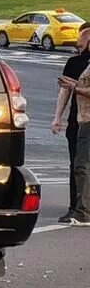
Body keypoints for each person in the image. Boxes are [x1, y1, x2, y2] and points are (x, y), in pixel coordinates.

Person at [54, 31, 90, 224]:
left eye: (81, 41)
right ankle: (77, 207)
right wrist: (57, 117)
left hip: (83, 121)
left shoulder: (77, 63)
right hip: (78, 119)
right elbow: (64, 92)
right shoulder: (76, 63)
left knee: (80, 165)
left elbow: (68, 91)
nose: (78, 44)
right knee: (78, 165)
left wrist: (74, 87)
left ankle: (80, 210)